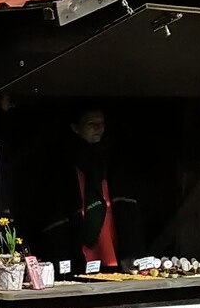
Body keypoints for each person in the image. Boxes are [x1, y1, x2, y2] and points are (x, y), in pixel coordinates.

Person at [39, 107, 143, 270]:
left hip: (112, 233)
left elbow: (130, 209)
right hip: (81, 236)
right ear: (75, 128)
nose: (98, 128)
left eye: (101, 123)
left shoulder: (114, 158)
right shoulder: (62, 163)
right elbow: (56, 212)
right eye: (91, 123)